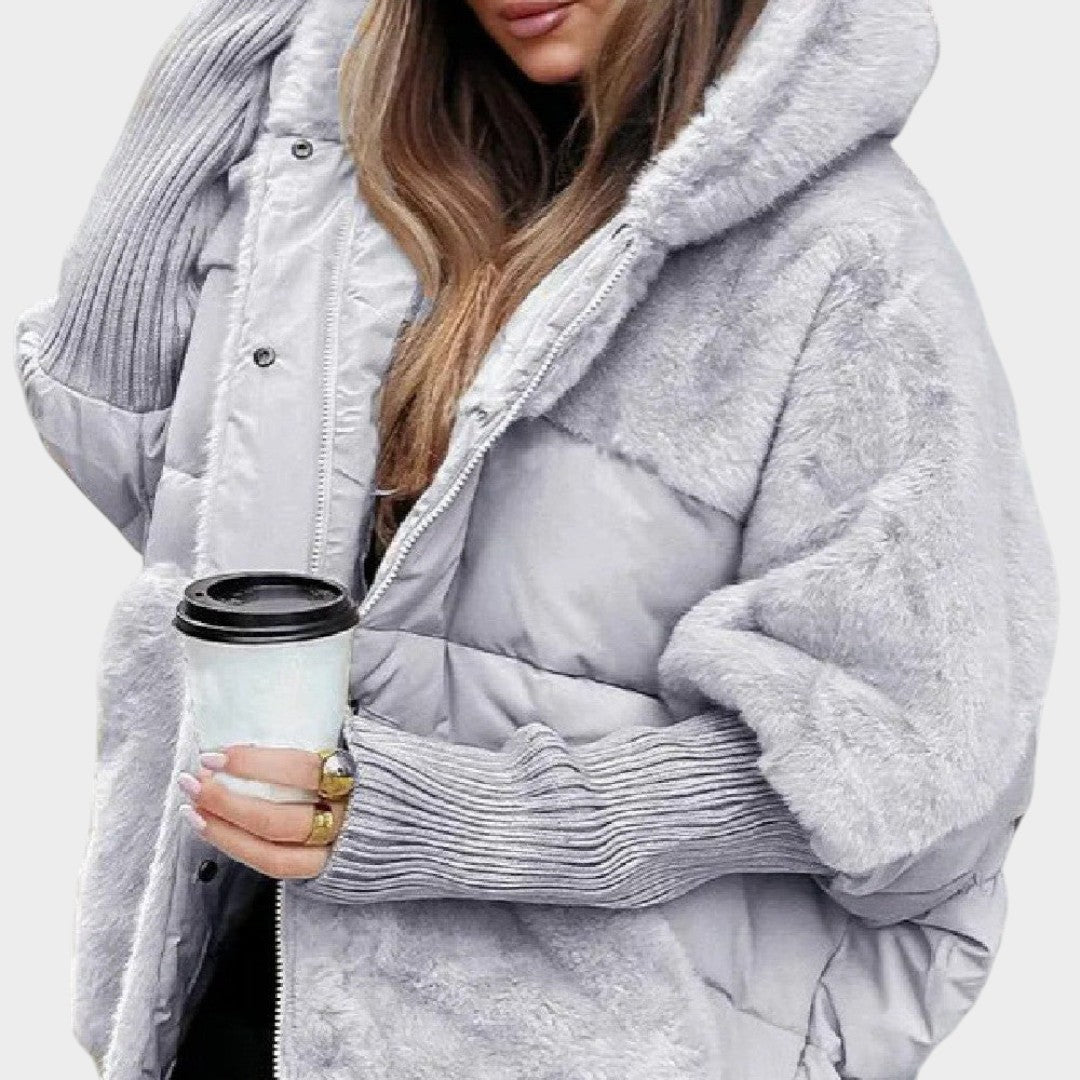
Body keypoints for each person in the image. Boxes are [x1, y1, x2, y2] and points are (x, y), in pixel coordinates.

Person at [13, 0, 1059, 1078]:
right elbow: (141, 462)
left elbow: (903, 758)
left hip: (575, 1042)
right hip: (238, 994)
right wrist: (240, 49)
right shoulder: (391, 179)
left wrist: (464, 819)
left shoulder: (849, 254)